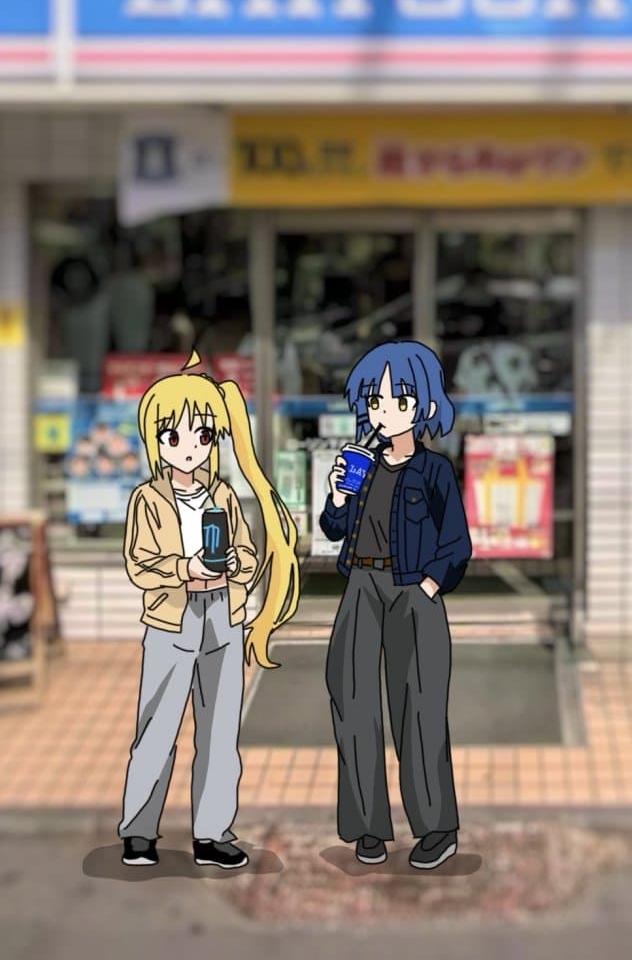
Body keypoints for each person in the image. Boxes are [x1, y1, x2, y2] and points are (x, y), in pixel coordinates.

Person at [119, 350, 300, 869]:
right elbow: (139, 564)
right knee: (157, 728)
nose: (190, 448)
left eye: (202, 436)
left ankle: (213, 833)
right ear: (156, 442)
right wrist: (185, 567)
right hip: (172, 619)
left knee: (221, 731)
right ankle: (139, 831)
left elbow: (246, 552)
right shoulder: (148, 499)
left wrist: (235, 567)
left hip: (223, 615)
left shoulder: (222, 493)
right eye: (173, 437)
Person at [319, 340, 472, 871]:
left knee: (419, 709)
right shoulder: (362, 463)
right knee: (352, 698)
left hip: (412, 592)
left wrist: (430, 586)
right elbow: (333, 528)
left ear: (423, 405)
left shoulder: (434, 470)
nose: (384, 412)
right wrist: (338, 495)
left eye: (398, 400)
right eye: (376, 401)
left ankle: (436, 828)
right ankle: (367, 827)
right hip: (361, 586)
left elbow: (457, 542)